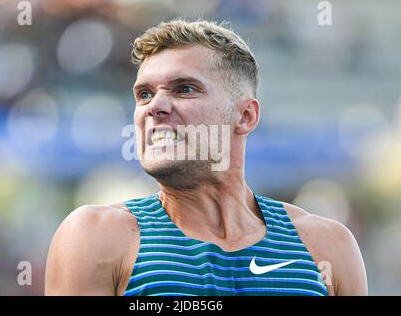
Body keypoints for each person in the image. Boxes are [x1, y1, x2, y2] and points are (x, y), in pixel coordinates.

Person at [45, 19, 367, 296]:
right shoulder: (96, 237)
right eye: (144, 94)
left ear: (245, 116)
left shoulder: (327, 246)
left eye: (184, 89)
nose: (154, 107)